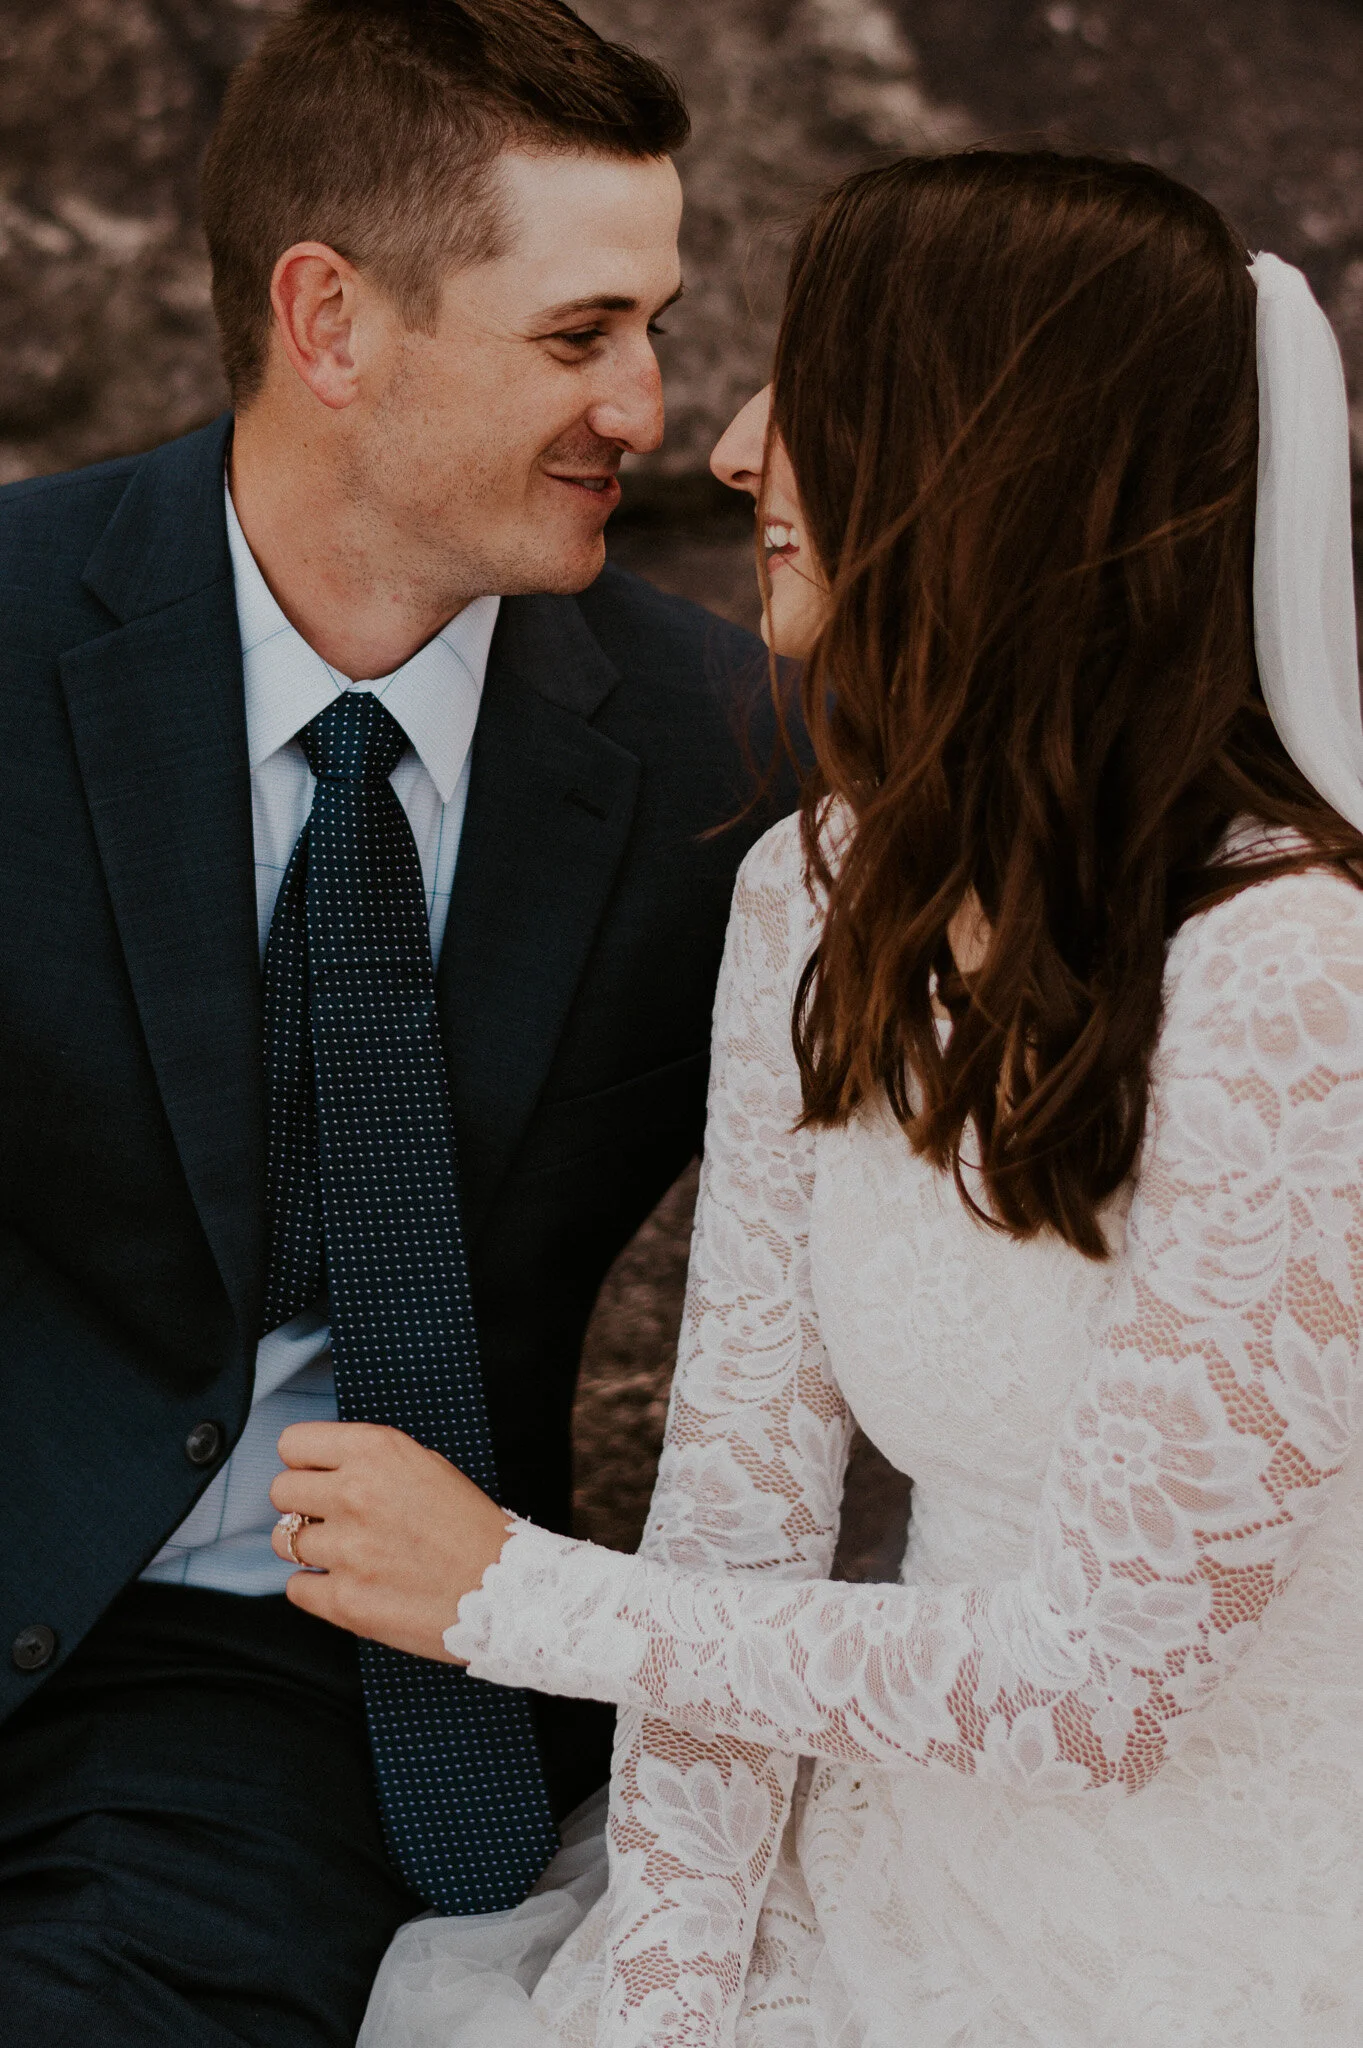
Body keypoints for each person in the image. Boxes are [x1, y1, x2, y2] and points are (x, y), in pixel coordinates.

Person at [277, 152, 1363, 2045]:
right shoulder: (815, 889)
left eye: (816, 382)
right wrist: (669, 1991)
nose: (730, 449)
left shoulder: (1294, 978)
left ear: (993, 450)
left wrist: (513, 1597)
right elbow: (737, 1505)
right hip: (879, 1865)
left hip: (1227, 1940)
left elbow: (1104, 1690)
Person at [0, 3, 778, 2042]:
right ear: (329, 322)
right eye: (580, 333)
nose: (650, 406)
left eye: (655, 327)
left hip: (270, 1680)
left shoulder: (728, 765)